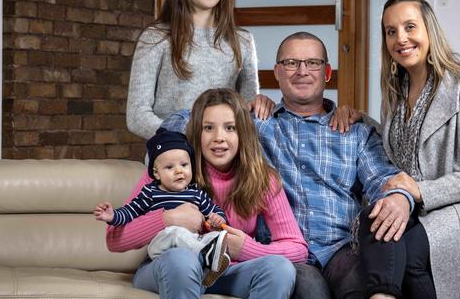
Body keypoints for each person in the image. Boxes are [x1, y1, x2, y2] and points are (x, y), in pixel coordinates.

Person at [161, 31, 415, 299]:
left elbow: (383, 181)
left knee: (361, 288)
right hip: (288, 255)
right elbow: (173, 126)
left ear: (327, 72)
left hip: (341, 250)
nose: (302, 71)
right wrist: (235, 109)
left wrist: (401, 196)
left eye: (313, 63)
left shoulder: (354, 131)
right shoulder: (255, 124)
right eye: (291, 63)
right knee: (308, 291)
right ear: (277, 73)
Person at [337, 0, 460, 298]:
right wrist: (360, 118)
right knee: (375, 219)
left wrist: (421, 190)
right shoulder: (395, 94)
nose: (400, 39)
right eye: (391, 32)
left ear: (428, 30)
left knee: (408, 253)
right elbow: (405, 146)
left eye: (409, 27)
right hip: (425, 210)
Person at [107, 88, 307, 299]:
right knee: (182, 260)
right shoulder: (171, 172)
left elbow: (298, 248)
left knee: (279, 269)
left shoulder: (263, 179)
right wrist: (169, 218)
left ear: (243, 134)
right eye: (208, 128)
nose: (219, 138)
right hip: (171, 267)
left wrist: (246, 248)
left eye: (230, 128)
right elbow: (114, 239)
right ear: (196, 132)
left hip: (229, 271)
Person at [126, 0, 259, 140]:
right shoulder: (157, 37)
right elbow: (137, 116)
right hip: (173, 157)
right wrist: (189, 135)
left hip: (224, 157)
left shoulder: (243, 41)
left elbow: (249, 112)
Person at [94, 129, 230, 286]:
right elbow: (130, 212)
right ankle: (206, 255)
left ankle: (208, 265)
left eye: (184, 165)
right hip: (162, 248)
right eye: (169, 167)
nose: (179, 170)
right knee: (175, 232)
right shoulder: (151, 192)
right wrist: (113, 216)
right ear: (156, 173)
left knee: (215, 237)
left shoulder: (197, 194)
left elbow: (214, 211)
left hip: (191, 247)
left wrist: (217, 218)